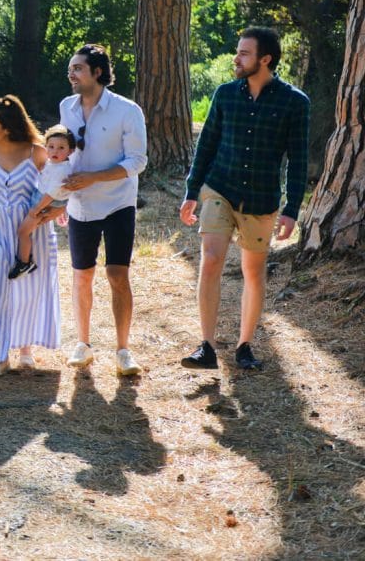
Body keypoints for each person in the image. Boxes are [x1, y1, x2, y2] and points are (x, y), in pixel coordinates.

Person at [179, 27, 310, 371]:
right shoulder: (224, 95)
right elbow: (206, 145)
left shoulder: (295, 103)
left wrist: (292, 209)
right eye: (237, 53)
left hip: (262, 199)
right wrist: (192, 192)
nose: (236, 59)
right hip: (219, 188)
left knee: (253, 272)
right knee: (211, 259)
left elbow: (297, 160)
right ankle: (206, 346)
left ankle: (244, 346)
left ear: (265, 59)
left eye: (244, 54)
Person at [59, 44, 147, 376]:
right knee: (82, 276)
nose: (71, 74)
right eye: (70, 69)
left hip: (118, 203)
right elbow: (61, 154)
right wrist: (55, 198)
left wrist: (93, 178)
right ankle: (83, 344)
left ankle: (123, 350)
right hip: (80, 206)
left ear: (98, 72)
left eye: (78, 68)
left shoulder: (127, 111)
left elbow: (137, 161)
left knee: (117, 275)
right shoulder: (66, 107)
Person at [0, 96, 61, 376]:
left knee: (28, 289)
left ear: (7, 127)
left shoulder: (36, 152)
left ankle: (26, 349)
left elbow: (57, 187)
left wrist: (52, 214)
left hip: (30, 229)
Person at [9, 125, 76, 278]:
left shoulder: (63, 170)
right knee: (28, 229)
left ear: (70, 151)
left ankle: (24, 263)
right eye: (51, 147)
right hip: (43, 198)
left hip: (46, 203)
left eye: (61, 148)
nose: (55, 151)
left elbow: (51, 194)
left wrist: (36, 209)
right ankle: (26, 258)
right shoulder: (54, 164)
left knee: (23, 232)